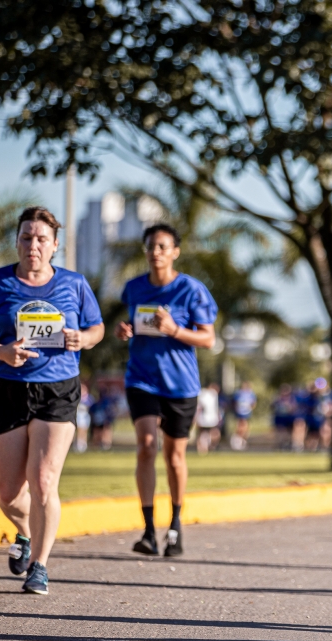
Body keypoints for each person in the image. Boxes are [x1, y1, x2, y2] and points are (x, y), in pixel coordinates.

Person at [0, 206, 104, 594]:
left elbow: (96, 328)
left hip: (57, 389)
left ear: (55, 245)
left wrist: (83, 339)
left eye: (41, 238)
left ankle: (39, 566)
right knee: (8, 493)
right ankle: (25, 533)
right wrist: (1, 352)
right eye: (26, 237)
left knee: (44, 480)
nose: (33, 245)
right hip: (6, 388)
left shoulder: (74, 284)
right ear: (17, 242)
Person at [117, 224, 218, 555]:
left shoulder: (191, 290)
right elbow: (136, 325)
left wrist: (175, 329)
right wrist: (125, 331)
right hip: (141, 378)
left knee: (174, 457)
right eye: (150, 246)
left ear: (175, 252)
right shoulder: (134, 288)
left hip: (180, 384)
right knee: (147, 447)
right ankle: (148, 531)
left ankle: (175, 525)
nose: (155, 252)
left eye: (162, 246)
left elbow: (208, 338)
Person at [195, 383, 222, 454]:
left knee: (214, 433)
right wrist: (197, 417)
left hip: (212, 419)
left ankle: (209, 446)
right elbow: (200, 407)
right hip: (204, 419)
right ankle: (202, 448)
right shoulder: (204, 394)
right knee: (203, 433)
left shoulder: (214, 395)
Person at [230, 381, 257, 450]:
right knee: (240, 427)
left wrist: (250, 408)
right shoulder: (238, 393)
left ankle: (242, 441)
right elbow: (234, 403)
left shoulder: (251, 393)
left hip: (246, 413)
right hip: (239, 412)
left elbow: (253, 403)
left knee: (245, 427)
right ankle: (237, 441)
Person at [271, 384, 297, 450]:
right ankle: (281, 444)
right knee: (281, 431)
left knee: (289, 431)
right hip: (280, 417)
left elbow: (294, 407)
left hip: (289, 417)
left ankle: (289, 443)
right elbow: (273, 407)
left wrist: (288, 407)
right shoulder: (278, 398)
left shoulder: (292, 398)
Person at [74, 381, 91, 453]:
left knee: (84, 430)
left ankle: (83, 444)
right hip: (78, 416)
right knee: (79, 430)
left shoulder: (88, 398)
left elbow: (90, 405)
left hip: (85, 416)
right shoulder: (76, 397)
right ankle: (78, 444)